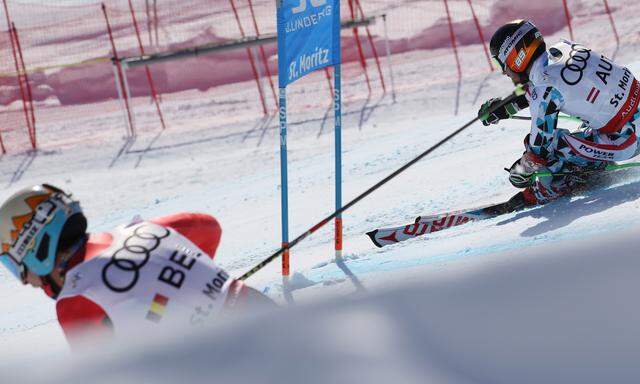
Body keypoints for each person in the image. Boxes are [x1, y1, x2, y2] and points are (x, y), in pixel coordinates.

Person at [0, 184, 273, 346]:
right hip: (267, 318)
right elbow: (209, 227)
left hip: (230, 359)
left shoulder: (76, 299)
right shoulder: (145, 229)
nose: (27, 281)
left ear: (35, 249)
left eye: (17, 267)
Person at [478, 19, 640, 206]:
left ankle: (554, 188)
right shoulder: (564, 48)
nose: (504, 73)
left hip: (628, 141)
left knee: (552, 147)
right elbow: (550, 91)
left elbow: (539, 149)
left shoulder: (544, 87)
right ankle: (592, 163)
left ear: (516, 56)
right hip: (631, 121)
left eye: (501, 64)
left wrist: (521, 171)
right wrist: (505, 107)